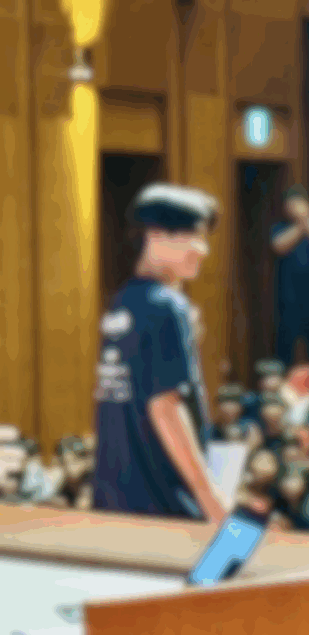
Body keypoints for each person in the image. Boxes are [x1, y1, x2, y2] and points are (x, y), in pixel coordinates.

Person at [93, 183, 227, 522]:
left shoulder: (123, 302)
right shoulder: (167, 307)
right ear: (155, 235)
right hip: (166, 505)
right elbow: (165, 408)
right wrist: (212, 501)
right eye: (193, 236)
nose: (203, 250)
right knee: (238, 551)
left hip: (115, 503)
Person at [270, 185, 309, 365]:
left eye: (298, 204)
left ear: (308, 204)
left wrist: (307, 221)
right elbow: (279, 246)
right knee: (285, 350)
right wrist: (301, 224)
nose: (294, 209)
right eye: (290, 205)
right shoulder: (280, 226)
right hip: (288, 298)